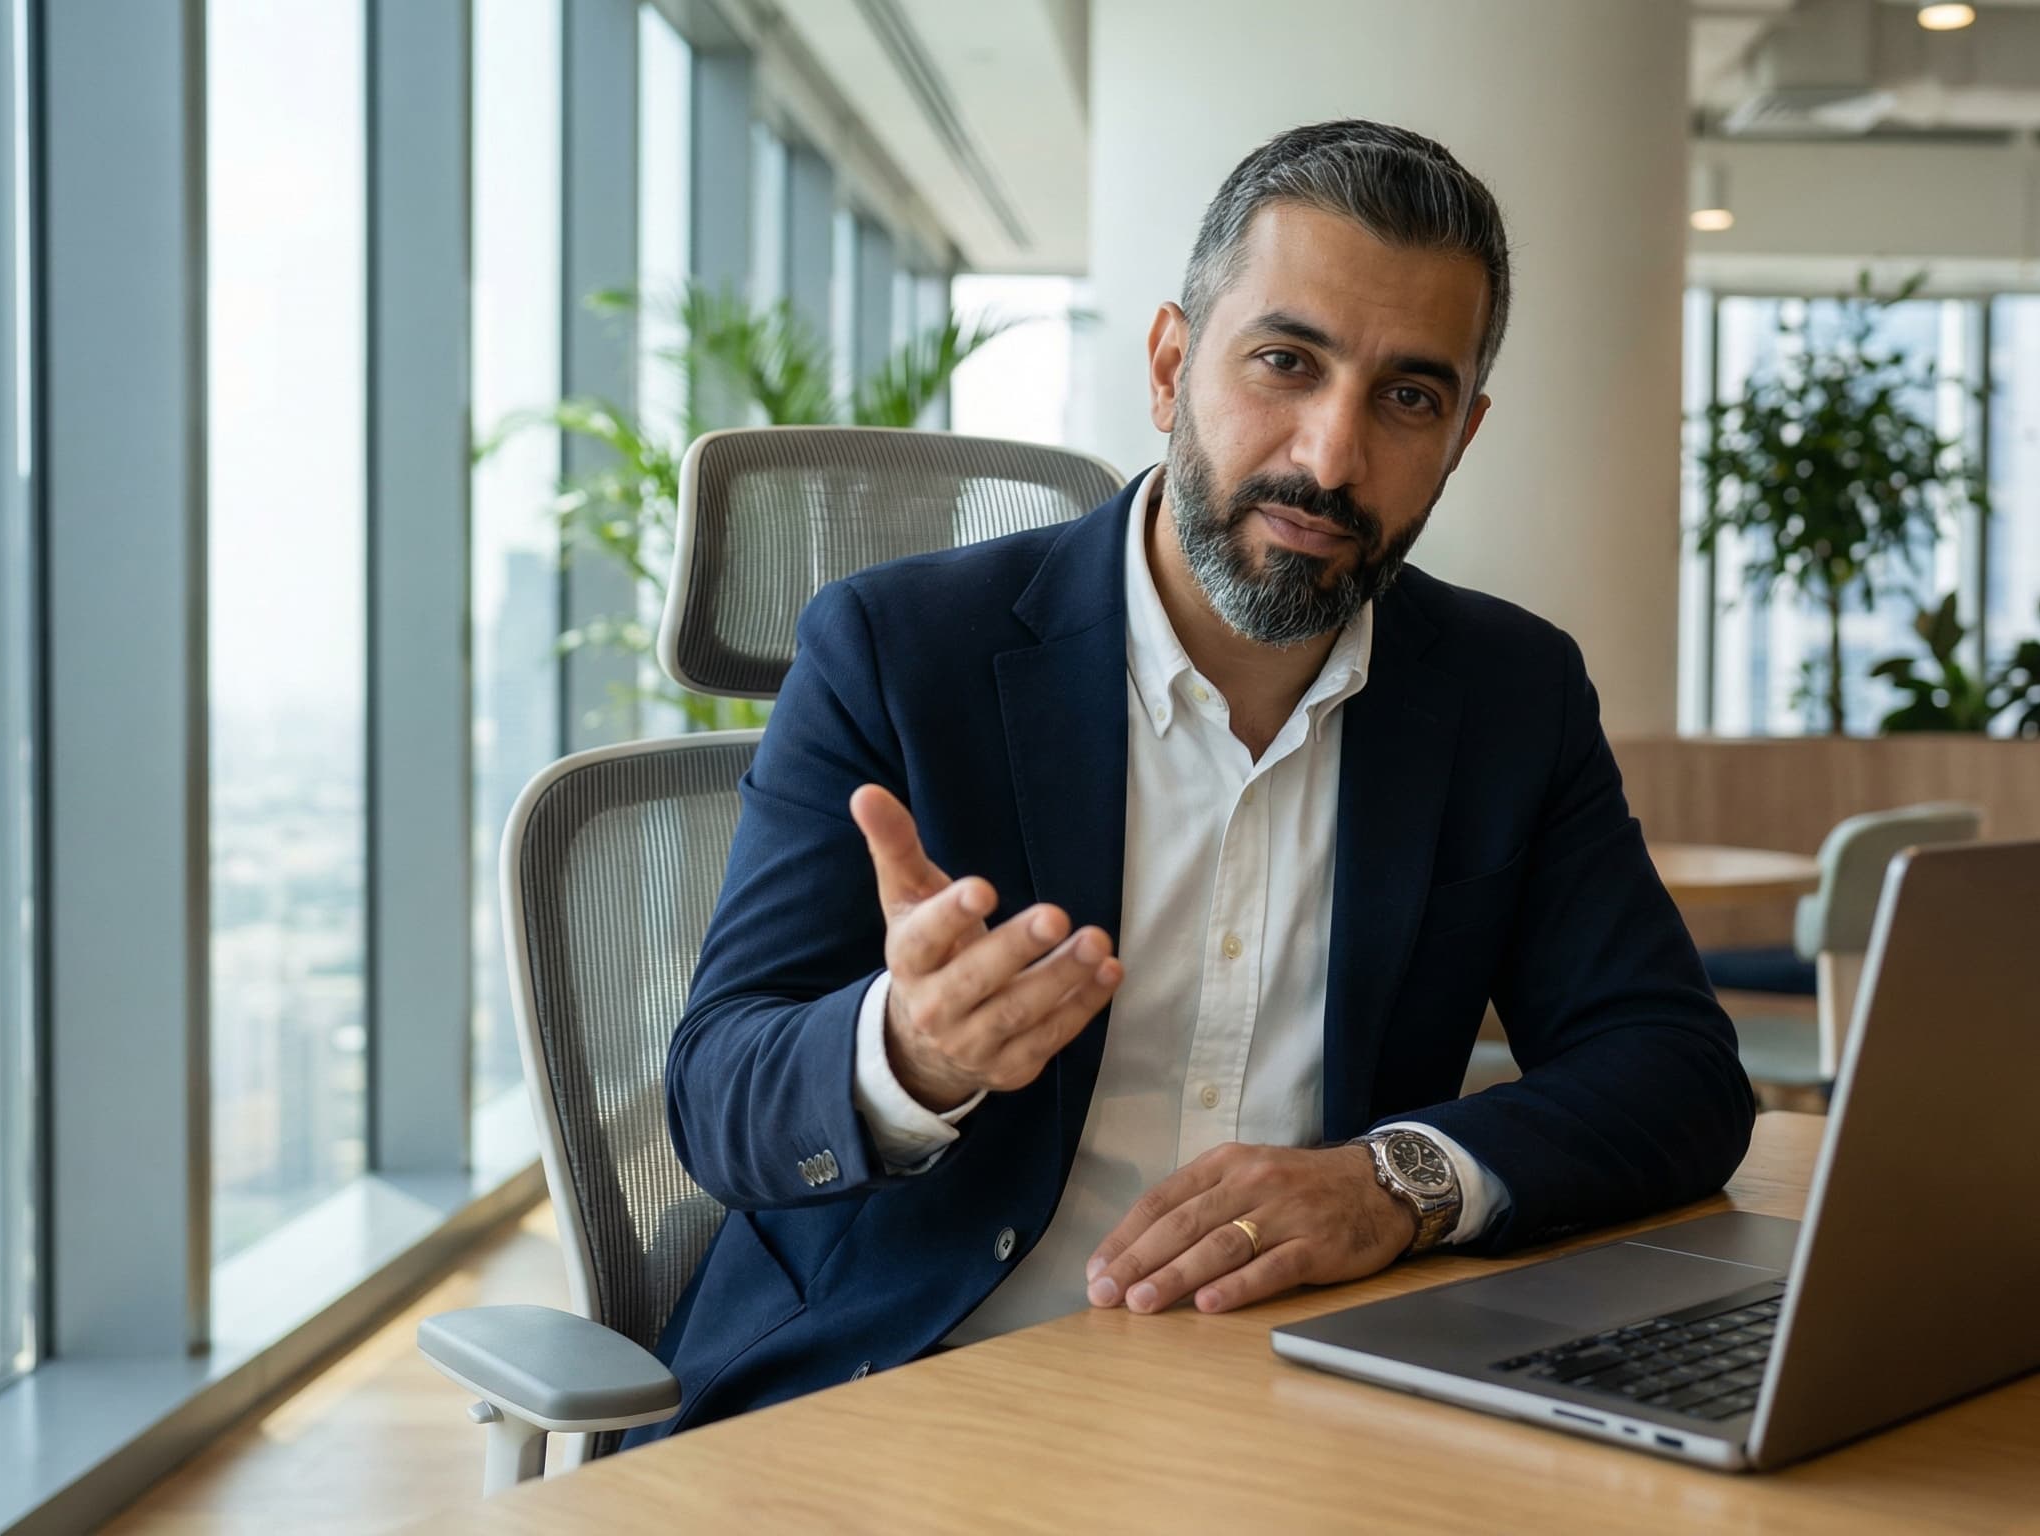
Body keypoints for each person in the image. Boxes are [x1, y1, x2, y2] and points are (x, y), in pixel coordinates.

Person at [623, 119, 1756, 1449]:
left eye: (1408, 398)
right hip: (909, 1394)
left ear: (1463, 434)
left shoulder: (1510, 693)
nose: (1331, 459)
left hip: (1294, 1413)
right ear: (1171, 360)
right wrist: (909, 1054)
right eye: (1285, 362)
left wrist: (1395, 1183)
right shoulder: (898, 650)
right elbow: (719, 1096)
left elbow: (1675, 1073)